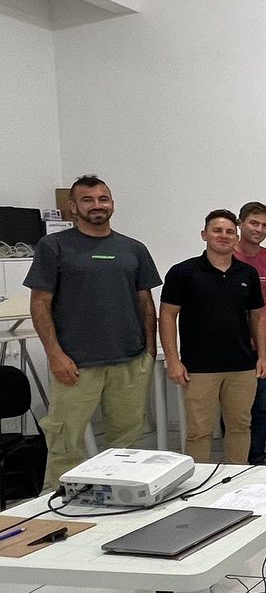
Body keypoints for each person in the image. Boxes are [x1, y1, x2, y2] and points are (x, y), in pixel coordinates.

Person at [25, 174, 160, 487]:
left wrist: (149, 352)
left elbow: (146, 302)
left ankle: (118, 498)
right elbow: (40, 304)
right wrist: (55, 355)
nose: (97, 205)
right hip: (75, 364)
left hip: (129, 361)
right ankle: (59, 502)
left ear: (112, 204)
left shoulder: (133, 249)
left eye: (103, 199)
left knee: (125, 444)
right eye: (87, 200)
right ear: (73, 207)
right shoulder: (53, 246)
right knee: (65, 443)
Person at [160, 209, 266, 464]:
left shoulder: (247, 274)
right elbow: (167, 316)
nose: (223, 235)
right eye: (217, 230)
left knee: (240, 426)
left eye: (230, 232)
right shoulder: (183, 272)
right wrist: (173, 361)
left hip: (241, 366)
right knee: (199, 431)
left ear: (236, 237)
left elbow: (258, 317)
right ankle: (196, 481)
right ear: (204, 234)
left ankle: (236, 476)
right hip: (199, 368)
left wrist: (262, 357)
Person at [233, 201, 266, 465]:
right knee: (234, 408)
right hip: (232, 344)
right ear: (240, 223)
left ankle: (256, 460)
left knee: (259, 407)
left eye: (265, 225)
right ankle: (235, 459)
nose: (259, 229)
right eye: (254, 223)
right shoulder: (226, 256)